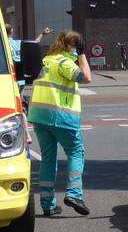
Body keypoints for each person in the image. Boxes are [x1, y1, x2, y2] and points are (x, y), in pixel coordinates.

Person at [27, 29, 92, 217]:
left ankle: (48, 204)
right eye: (77, 46)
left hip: (39, 115)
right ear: (73, 46)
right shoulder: (64, 62)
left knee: (48, 159)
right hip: (61, 115)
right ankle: (74, 194)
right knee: (75, 152)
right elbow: (86, 77)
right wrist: (81, 54)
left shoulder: (46, 60)